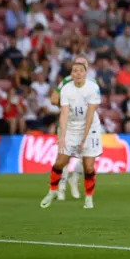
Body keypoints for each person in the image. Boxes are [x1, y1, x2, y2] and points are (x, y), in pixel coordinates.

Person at [41, 60, 102, 210]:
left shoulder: (93, 88)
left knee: (88, 167)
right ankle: (53, 191)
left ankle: (88, 198)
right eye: (75, 71)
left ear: (85, 72)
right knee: (60, 162)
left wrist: (84, 139)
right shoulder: (66, 89)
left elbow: (90, 115)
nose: (78, 73)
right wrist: (62, 137)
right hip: (72, 127)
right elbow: (64, 114)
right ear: (72, 74)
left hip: (90, 127)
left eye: (81, 70)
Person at [49, 56, 89, 200]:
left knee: (89, 154)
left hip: (84, 124)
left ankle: (74, 178)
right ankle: (61, 188)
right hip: (68, 124)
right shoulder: (66, 82)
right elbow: (53, 99)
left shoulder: (91, 84)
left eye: (83, 66)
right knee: (64, 157)